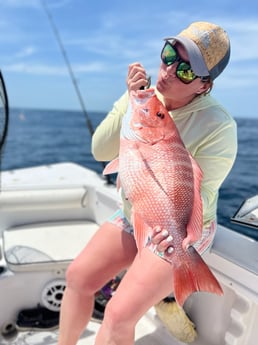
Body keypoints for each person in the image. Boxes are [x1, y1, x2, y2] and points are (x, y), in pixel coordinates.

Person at [57, 21, 237, 345]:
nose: (169, 70)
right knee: (77, 277)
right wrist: (130, 100)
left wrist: (178, 234)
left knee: (116, 315)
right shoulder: (142, 98)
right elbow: (100, 149)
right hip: (137, 208)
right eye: (169, 54)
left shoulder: (219, 126)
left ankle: (171, 282)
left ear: (204, 86)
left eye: (185, 70)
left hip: (180, 227)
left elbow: (203, 196)